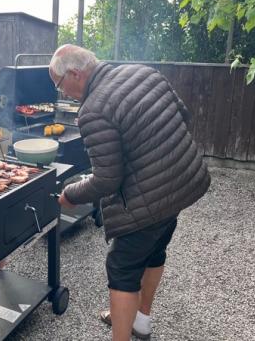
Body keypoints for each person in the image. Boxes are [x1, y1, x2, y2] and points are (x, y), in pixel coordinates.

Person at [48, 44, 210, 341]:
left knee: (122, 269)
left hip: (149, 201)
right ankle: (141, 320)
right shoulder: (144, 72)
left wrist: (69, 195)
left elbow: (107, 180)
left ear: (75, 73)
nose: (63, 93)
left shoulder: (93, 109)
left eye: (60, 86)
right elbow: (183, 117)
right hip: (182, 184)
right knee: (155, 249)